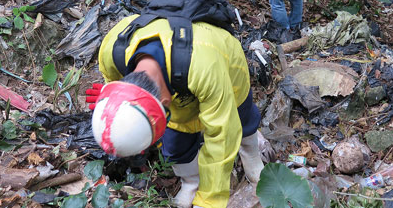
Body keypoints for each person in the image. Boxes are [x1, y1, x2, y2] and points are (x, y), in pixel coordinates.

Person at [86, 14, 264, 208]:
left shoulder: (205, 69)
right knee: (176, 143)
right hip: (180, 72)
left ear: (164, 102)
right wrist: (111, 98)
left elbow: (222, 136)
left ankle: (251, 156)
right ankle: (191, 182)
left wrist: (209, 201)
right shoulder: (114, 49)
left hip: (222, 62)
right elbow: (111, 78)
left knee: (242, 119)